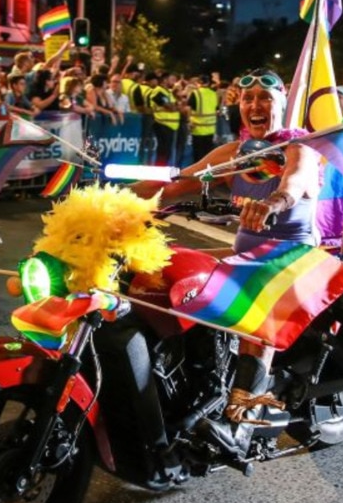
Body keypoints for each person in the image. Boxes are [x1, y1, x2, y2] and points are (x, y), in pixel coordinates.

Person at [130, 67, 321, 457]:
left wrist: (272, 203)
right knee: (173, 275)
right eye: (248, 100)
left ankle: (240, 426)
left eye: (265, 99)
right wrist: (113, 201)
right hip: (247, 254)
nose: (255, 106)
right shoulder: (234, 154)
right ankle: (195, 385)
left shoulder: (299, 147)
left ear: (282, 105)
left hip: (292, 254)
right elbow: (177, 184)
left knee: (256, 309)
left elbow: (294, 184)